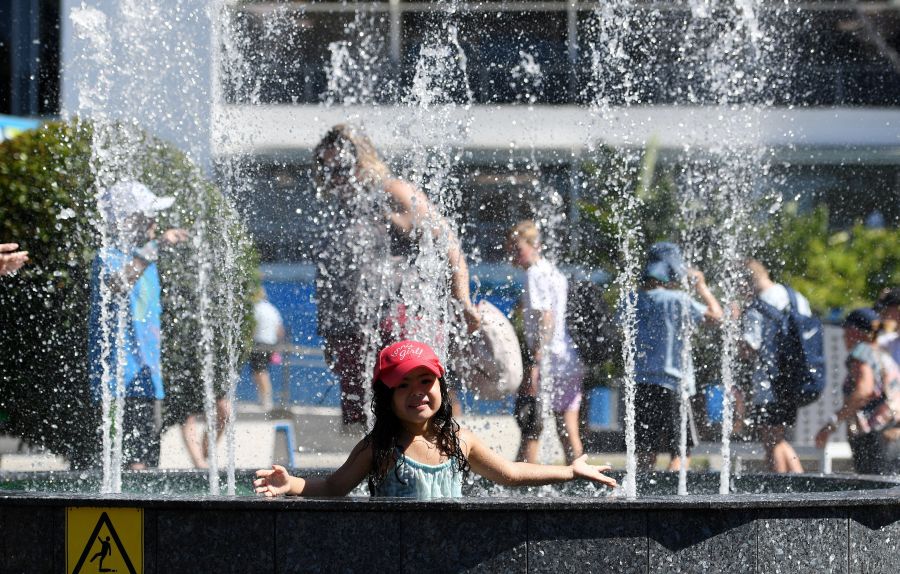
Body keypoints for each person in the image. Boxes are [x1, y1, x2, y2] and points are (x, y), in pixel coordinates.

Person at [253, 340, 617, 499]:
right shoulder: (380, 446)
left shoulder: (460, 439)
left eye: (426, 382)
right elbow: (335, 487)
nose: (418, 393)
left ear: (441, 386)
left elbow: (511, 473)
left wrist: (570, 471)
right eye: (403, 385)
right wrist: (293, 483)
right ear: (387, 396)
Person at [313, 124, 480, 430]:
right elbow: (331, 280)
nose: (334, 178)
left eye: (340, 169)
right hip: (353, 331)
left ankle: (439, 469)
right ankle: (387, 478)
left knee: (415, 414)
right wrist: (331, 335)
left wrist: (463, 300)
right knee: (369, 423)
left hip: (399, 321)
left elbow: (447, 243)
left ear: (362, 163)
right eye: (326, 170)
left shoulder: (390, 192)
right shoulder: (341, 208)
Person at [88, 180, 188, 469]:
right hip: (118, 380)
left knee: (146, 462)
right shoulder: (108, 258)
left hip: (146, 380)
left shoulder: (147, 261)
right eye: (150, 214)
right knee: (126, 465)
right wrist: (153, 247)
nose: (156, 221)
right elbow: (117, 284)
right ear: (131, 219)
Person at [632, 242, 723, 471]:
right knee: (680, 452)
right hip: (673, 383)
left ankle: (643, 500)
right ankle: (675, 500)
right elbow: (716, 316)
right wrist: (701, 286)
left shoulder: (630, 301)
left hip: (640, 384)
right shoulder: (678, 300)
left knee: (644, 452)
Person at [507, 220, 584, 464]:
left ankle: (522, 488)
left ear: (535, 246)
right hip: (568, 360)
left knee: (531, 426)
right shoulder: (553, 271)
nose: (514, 253)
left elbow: (546, 316)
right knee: (567, 431)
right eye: (511, 248)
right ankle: (584, 483)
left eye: (518, 248)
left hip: (548, 361)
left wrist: (535, 360)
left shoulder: (535, 273)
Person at [740, 259, 812, 473]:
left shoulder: (758, 306)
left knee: (771, 442)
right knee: (779, 439)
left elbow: (748, 349)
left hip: (769, 385)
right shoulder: (795, 297)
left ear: (746, 282)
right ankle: (801, 489)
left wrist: (735, 325)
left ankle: (777, 494)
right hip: (794, 379)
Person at [815, 308, 899, 475]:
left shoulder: (861, 352)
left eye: (845, 333)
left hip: (874, 436)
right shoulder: (883, 354)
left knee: (874, 490)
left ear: (854, 331)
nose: (843, 338)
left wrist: (832, 424)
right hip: (893, 431)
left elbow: (863, 390)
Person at [251, 287, 285, 411]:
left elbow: (252, 327)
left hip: (259, 343)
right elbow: (280, 330)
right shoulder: (272, 309)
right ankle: (264, 398)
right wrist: (277, 347)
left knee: (260, 371)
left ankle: (266, 399)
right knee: (262, 371)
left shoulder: (256, 309)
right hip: (271, 343)